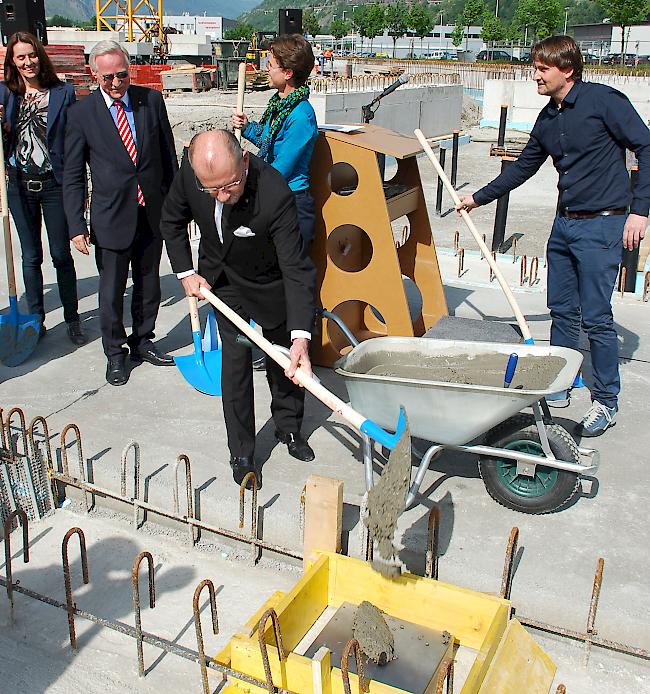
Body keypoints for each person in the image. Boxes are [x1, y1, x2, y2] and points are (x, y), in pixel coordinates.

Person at [457, 35, 650, 437]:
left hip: (603, 222)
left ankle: (606, 401)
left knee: (596, 316)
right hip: (564, 224)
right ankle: (561, 382)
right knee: (562, 310)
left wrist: (640, 211)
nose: (535, 75)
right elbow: (522, 168)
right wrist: (478, 197)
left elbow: (647, 146)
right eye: (535, 67)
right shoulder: (548, 119)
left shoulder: (604, 102)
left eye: (543, 69)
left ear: (567, 69)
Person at [159, 129, 317, 487]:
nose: (223, 196)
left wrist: (301, 338)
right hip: (221, 279)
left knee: (284, 360)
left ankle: (289, 428)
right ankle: (242, 452)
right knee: (235, 363)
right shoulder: (192, 172)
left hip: (269, 280)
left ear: (244, 161)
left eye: (230, 186)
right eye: (211, 190)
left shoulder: (275, 194)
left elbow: (296, 268)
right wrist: (186, 272)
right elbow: (171, 220)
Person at [63, 40, 178, 386]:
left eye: (122, 75)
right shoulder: (82, 115)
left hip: (151, 213)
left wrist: (175, 207)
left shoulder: (151, 102)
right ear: (94, 74)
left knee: (149, 284)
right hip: (111, 217)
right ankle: (115, 354)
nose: (116, 83)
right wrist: (75, 224)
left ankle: (143, 341)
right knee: (111, 293)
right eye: (109, 77)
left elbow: (168, 158)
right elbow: (72, 175)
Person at [1, 32, 86, 346]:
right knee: (29, 256)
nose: (28, 62)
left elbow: (75, 142)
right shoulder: (6, 95)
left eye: (32, 55)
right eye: (20, 57)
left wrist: (81, 190)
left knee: (61, 254)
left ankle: (73, 318)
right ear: (12, 61)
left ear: (41, 57)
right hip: (19, 186)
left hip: (55, 185)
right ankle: (36, 318)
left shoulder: (62, 93)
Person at [231, 34, 319, 249]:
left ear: (288, 73)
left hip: (291, 203)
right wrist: (248, 127)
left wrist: (243, 177)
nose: (266, 69)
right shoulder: (280, 104)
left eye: (270, 65)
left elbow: (281, 168)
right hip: (274, 195)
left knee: (290, 274)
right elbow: (270, 140)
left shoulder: (301, 116)